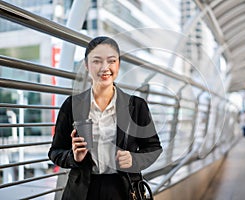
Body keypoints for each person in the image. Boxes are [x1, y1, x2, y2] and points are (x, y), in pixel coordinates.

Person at [48, 36, 162, 200]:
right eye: (97, 61)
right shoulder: (72, 105)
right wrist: (75, 157)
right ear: (86, 65)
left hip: (124, 189)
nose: (105, 67)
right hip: (83, 191)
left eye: (111, 61)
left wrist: (134, 159)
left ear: (118, 64)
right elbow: (55, 152)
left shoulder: (136, 106)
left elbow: (154, 148)